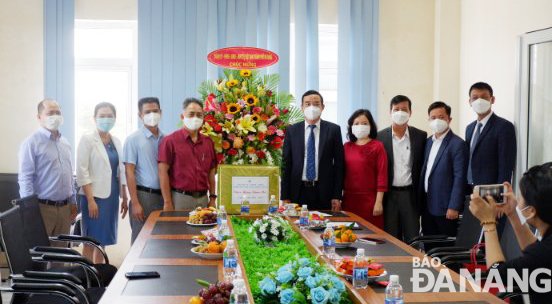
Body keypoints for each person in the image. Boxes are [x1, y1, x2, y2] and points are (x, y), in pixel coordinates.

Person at [469, 163, 552, 303]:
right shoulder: (544, 250)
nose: (517, 200)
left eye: (520, 197)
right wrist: (513, 213)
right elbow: (536, 252)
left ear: (531, 211)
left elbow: (496, 274)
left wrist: (488, 222)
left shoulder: (543, 254)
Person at [18, 99, 77, 246]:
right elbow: (25, 178)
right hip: (42, 209)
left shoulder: (65, 143)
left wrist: (73, 201)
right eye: (50, 113)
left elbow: (69, 175)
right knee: (40, 255)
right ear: (39, 118)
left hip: (65, 209)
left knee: (61, 256)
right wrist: (30, 209)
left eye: (58, 112)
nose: (55, 116)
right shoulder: (31, 143)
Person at [77, 102, 128, 263]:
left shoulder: (116, 141)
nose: (106, 119)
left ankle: (98, 276)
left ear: (115, 118)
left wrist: (125, 198)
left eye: (109, 116)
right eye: (102, 116)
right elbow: (82, 171)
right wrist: (91, 200)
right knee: (90, 241)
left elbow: (121, 170)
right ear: (94, 118)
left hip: (111, 197)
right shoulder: (87, 139)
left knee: (103, 241)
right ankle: (85, 278)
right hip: (93, 197)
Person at [465, 82, 516, 234]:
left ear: (492, 99)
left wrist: (500, 201)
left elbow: (505, 166)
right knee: (474, 245)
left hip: (492, 197)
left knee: (491, 241)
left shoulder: (504, 127)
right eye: (475, 97)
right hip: (472, 193)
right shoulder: (469, 128)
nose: (479, 101)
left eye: (484, 97)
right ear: (470, 102)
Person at [281, 90, 344, 210]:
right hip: (297, 191)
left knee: (323, 226)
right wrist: (285, 196)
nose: (312, 107)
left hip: (324, 191)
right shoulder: (292, 130)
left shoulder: (333, 130)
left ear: (322, 107)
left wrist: (337, 195)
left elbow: (339, 165)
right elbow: (286, 165)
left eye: (316, 104)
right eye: (308, 104)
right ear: (302, 107)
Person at [378, 95, 427, 241]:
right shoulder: (379, 137)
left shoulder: (420, 136)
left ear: (410, 112)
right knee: (390, 237)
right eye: (396, 109)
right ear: (390, 112)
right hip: (389, 195)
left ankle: (411, 264)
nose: (400, 112)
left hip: (410, 194)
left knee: (413, 237)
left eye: (404, 109)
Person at [158, 98, 217, 211]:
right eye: (191, 114)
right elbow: (162, 172)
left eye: (199, 115)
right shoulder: (170, 141)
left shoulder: (208, 142)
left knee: (203, 229)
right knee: (179, 229)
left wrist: (213, 198)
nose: (195, 118)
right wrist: (167, 202)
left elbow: (211, 172)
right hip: (180, 199)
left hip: (203, 199)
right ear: (182, 116)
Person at [420, 101, 468, 237]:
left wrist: (454, 206)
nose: (437, 121)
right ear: (429, 120)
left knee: (446, 248)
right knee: (430, 247)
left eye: (441, 117)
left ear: (449, 119)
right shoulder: (428, 142)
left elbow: (460, 178)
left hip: (446, 208)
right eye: (433, 118)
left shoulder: (457, 144)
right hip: (427, 205)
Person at [123, 97, 164, 244]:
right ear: (140, 115)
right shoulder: (133, 140)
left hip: (163, 197)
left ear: (161, 112)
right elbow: (129, 172)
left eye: (155, 111)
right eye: (147, 112)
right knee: (140, 242)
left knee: (160, 242)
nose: (152, 114)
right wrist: (135, 203)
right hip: (143, 197)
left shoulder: (166, 139)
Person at [342, 109, 387, 228]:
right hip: (348, 200)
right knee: (348, 236)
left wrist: (379, 202)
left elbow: (382, 176)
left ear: (371, 126)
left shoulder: (377, 146)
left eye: (364, 123)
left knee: (371, 237)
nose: (360, 126)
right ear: (351, 127)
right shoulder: (346, 146)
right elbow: (340, 173)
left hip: (370, 201)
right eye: (356, 124)